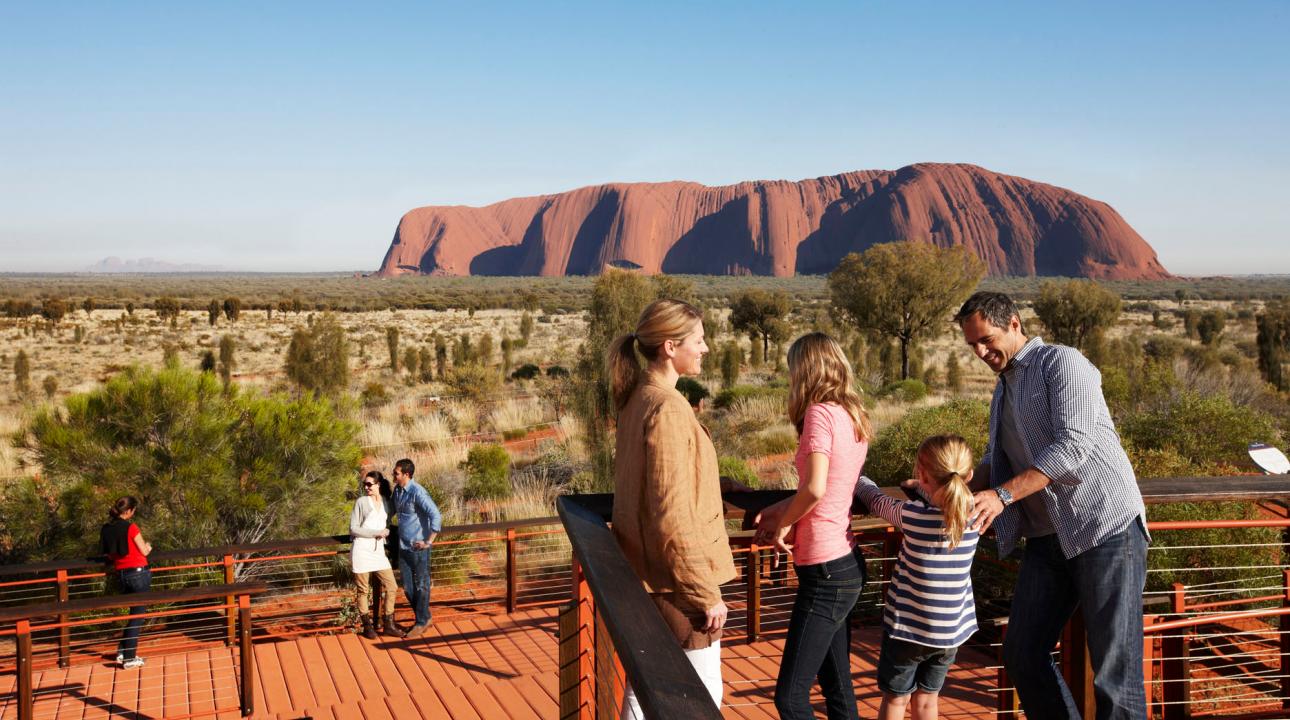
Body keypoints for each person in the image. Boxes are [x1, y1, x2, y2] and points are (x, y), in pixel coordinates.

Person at [955, 291, 1148, 719]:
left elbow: (1073, 446)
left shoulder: (1062, 364)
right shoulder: (1004, 387)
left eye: (986, 339)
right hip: (1048, 537)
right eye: (972, 345)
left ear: (1015, 324)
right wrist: (954, 485)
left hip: (1104, 528)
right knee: (1022, 653)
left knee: (1115, 675)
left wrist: (1002, 496)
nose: (981, 352)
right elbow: (996, 458)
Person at [607, 298, 737, 719]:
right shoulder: (667, 409)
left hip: (646, 574)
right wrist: (704, 592)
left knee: (643, 695)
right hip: (675, 585)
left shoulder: (637, 397)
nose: (705, 348)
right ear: (669, 346)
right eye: (697, 340)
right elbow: (671, 514)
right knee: (698, 702)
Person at [752, 332, 871, 720]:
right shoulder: (850, 413)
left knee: (791, 699)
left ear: (804, 369)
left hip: (825, 573)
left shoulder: (819, 413)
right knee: (838, 689)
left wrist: (784, 522)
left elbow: (816, 489)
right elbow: (830, 487)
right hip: (844, 563)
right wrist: (780, 511)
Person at [854, 436, 979, 720]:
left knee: (896, 700)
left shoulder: (912, 516)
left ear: (922, 475)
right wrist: (921, 489)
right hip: (950, 633)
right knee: (927, 700)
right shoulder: (976, 516)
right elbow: (947, 501)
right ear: (969, 475)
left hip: (907, 629)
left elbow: (876, 501)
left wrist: (860, 480)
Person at [390, 457, 442, 639]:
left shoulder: (418, 492)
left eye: (396, 473)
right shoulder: (397, 491)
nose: (393, 475)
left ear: (406, 474)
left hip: (419, 547)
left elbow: (435, 515)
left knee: (421, 586)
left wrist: (428, 541)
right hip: (403, 546)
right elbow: (391, 511)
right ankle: (425, 617)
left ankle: (420, 622)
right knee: (408, 588)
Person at [99, 496, 152, 669]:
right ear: (129, 511)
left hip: (121, 574)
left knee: (133, 614)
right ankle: (129, 658)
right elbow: (143, 550)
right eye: (134, 510)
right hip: (138, 574)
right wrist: (149, 546)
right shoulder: (131, 528)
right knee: (137, 616)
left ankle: (122, 651)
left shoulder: (107, 529)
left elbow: (107, 554)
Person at [350, 470, 400, 639]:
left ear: (378, 485)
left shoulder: (387, 503)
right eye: (364, 484)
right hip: (362, 550)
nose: (366, 487)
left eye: (369, 484)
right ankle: (367, 626)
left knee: (391, 586)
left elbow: (394, 514)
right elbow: (354, 528)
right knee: (363, 590)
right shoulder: (362, 502)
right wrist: (376, 532)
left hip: (378, 552)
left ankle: (388, 623)